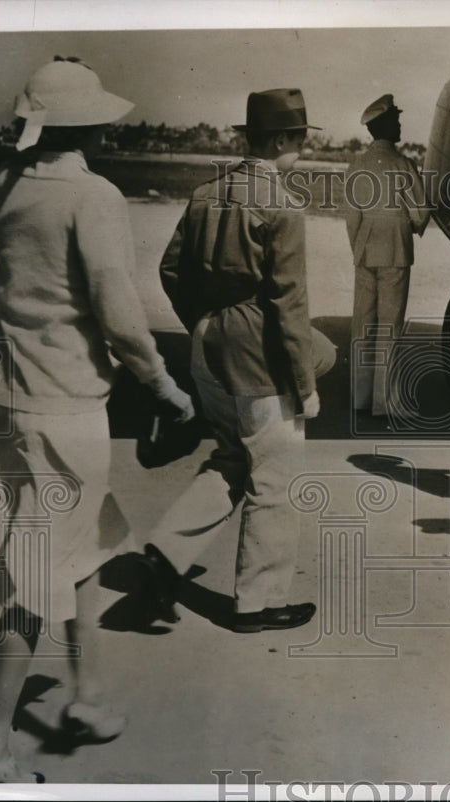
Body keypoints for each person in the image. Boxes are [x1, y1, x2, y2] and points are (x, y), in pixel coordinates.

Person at [0, 57, 194, 782]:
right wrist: (162, 385)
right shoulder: (92, 195)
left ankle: (89, 696)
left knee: (91, 542)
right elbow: (121, 315)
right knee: (40, 575)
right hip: (65, 412)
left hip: (13, 403)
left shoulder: (12, 184)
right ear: (88, 123)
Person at [137, 88, 334, 634]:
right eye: (298, 140)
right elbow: (289, 305)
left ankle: (166, 552)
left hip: (208, 344)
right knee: (274, 477)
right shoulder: (282, 203)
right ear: (280, 141)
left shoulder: (207, 193)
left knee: (230, 455)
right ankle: (259, 603)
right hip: (257, 354)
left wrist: (203, 322)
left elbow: (170, 269)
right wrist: (304, 383)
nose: (301, 150)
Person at [345, 94, 430, 420]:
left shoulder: (356, 166)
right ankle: (384, 402)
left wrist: (360, 246)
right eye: (396, 120)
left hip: (365, 250)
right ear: (386, 125)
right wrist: (404, 225)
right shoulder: (403, 165)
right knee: (389, 327)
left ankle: (360, 398)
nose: (400, 125)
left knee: (362, 324)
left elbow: (351, 218)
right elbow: (421, 214)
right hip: (395, 251)